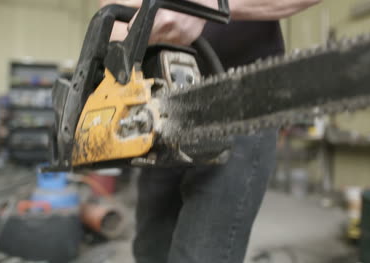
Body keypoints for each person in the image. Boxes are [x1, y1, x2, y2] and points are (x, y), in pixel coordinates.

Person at [99, 1, 320, 263]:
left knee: (202, 254)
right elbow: (113, 11)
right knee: (150, 249)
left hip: (243, 99)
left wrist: (206, 4)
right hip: (159, 102)